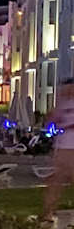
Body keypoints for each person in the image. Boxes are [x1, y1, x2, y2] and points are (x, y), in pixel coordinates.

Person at [42, 78, 74, 218]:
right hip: (64, 146)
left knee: (58, 180)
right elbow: (52, 119)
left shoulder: (63, 104)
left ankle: (49, 210)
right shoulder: (62, 105)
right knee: (57, 180)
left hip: (66, 146)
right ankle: (49, 210)